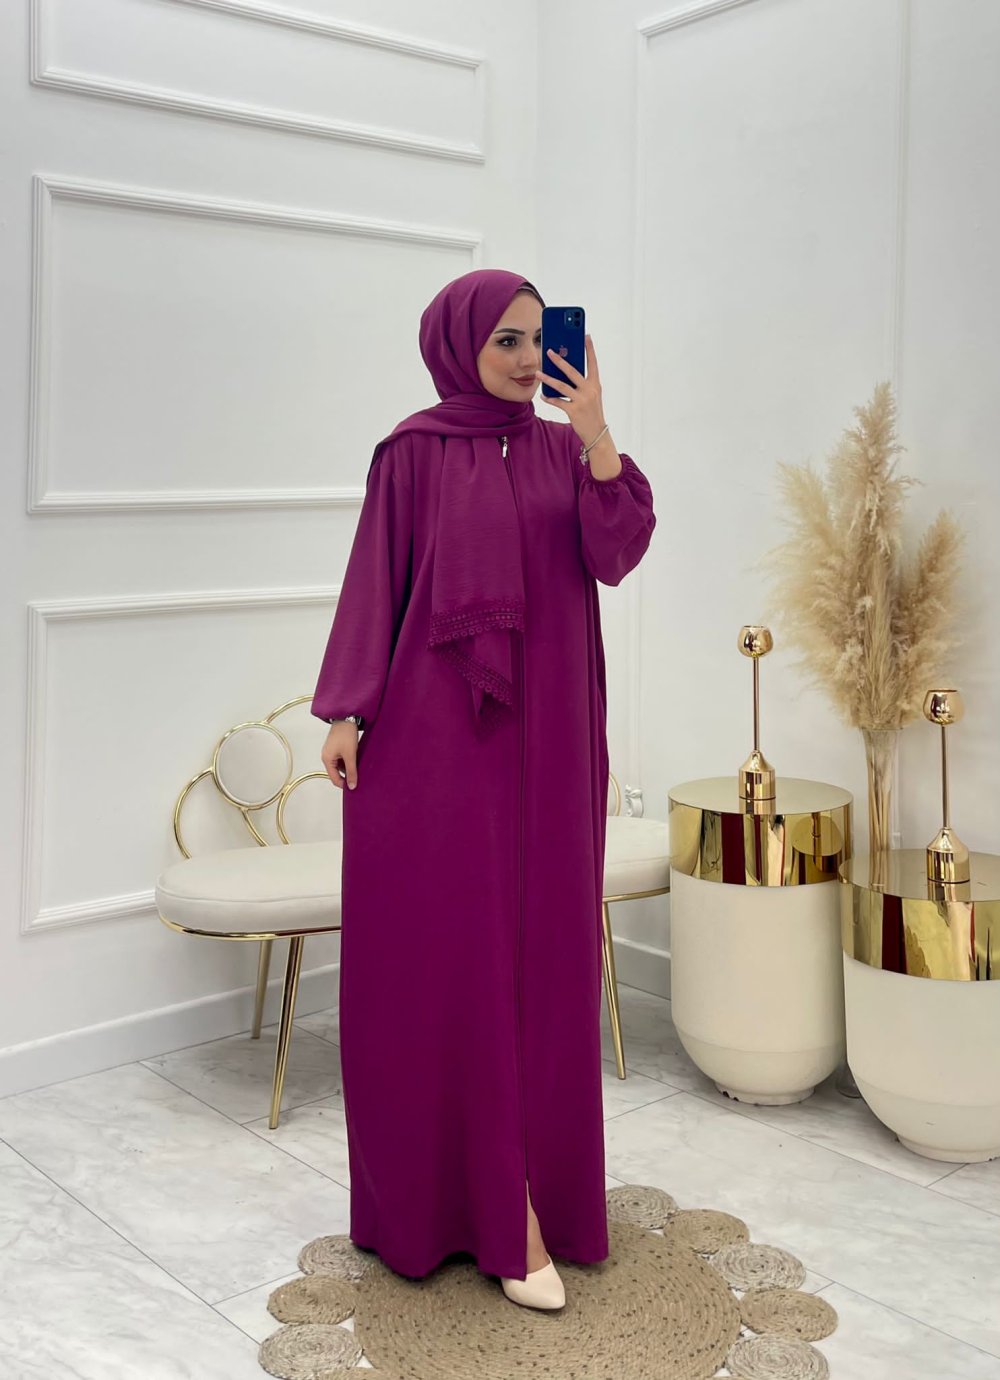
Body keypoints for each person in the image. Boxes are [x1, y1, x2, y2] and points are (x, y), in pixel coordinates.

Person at [311, 268, 655, 1311]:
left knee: (544, 956)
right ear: (457, 344)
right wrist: (346, 710)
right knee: (449, 963)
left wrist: (597, 432)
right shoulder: (412, 453)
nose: (523, 358)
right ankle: (487, 1213)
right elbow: (376, 580)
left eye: (536, 339)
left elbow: (617, 553)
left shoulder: (564, 450)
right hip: (436, 746)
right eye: (504, 339)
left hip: (552, 736)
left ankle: (533, 1189)